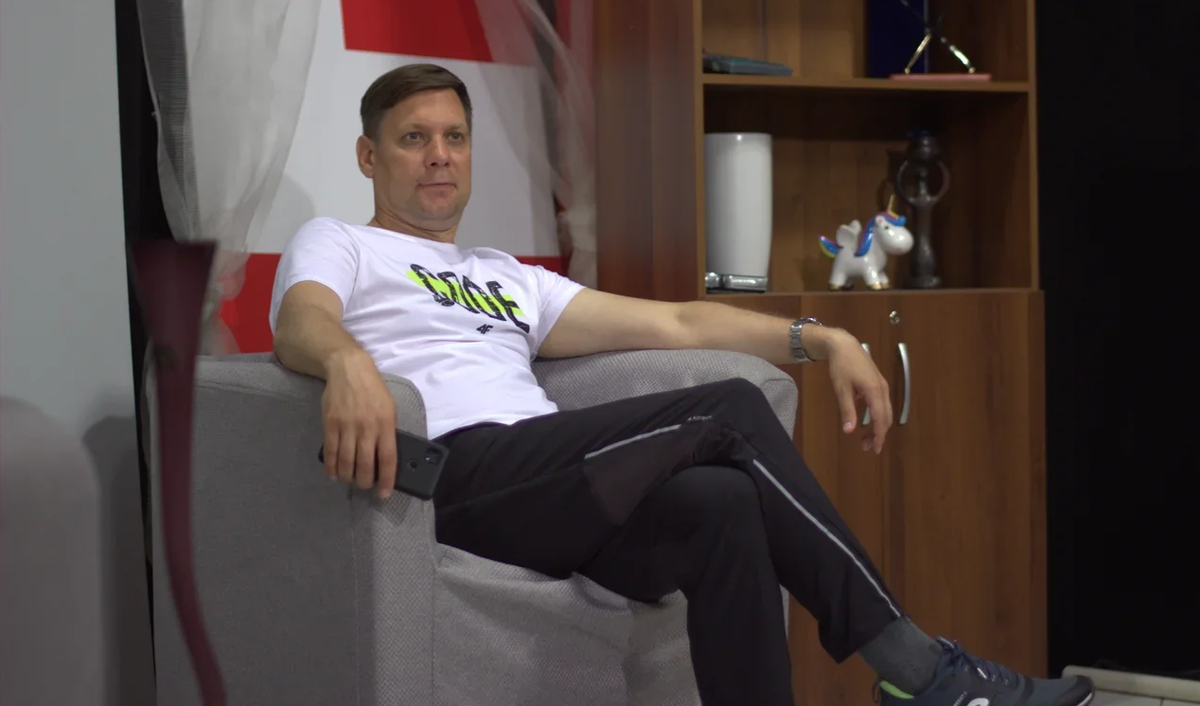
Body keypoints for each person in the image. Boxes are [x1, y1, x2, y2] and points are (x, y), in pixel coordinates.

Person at [268, 63, 1094, 706]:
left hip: (542, 481)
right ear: (370, 156)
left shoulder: (508, 277)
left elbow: (679, 324)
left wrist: (821, 337)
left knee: (720, 503)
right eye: (414, 138)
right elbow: (301, 318)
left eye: (455, 136)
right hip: (450, 475)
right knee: (727, 406)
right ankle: (919, 668)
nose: (439, 155)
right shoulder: (342, 242)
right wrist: (347, 362)